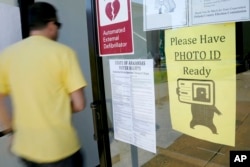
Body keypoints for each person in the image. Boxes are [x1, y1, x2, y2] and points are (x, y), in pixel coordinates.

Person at [0, 2, 87, 167]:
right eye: (58, 25)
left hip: (26, 148)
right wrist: (58, 106)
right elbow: (79, 104)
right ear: (52, 24)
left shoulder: (7, 56)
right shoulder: (64, 54)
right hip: (61, 149)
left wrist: (10, 131)